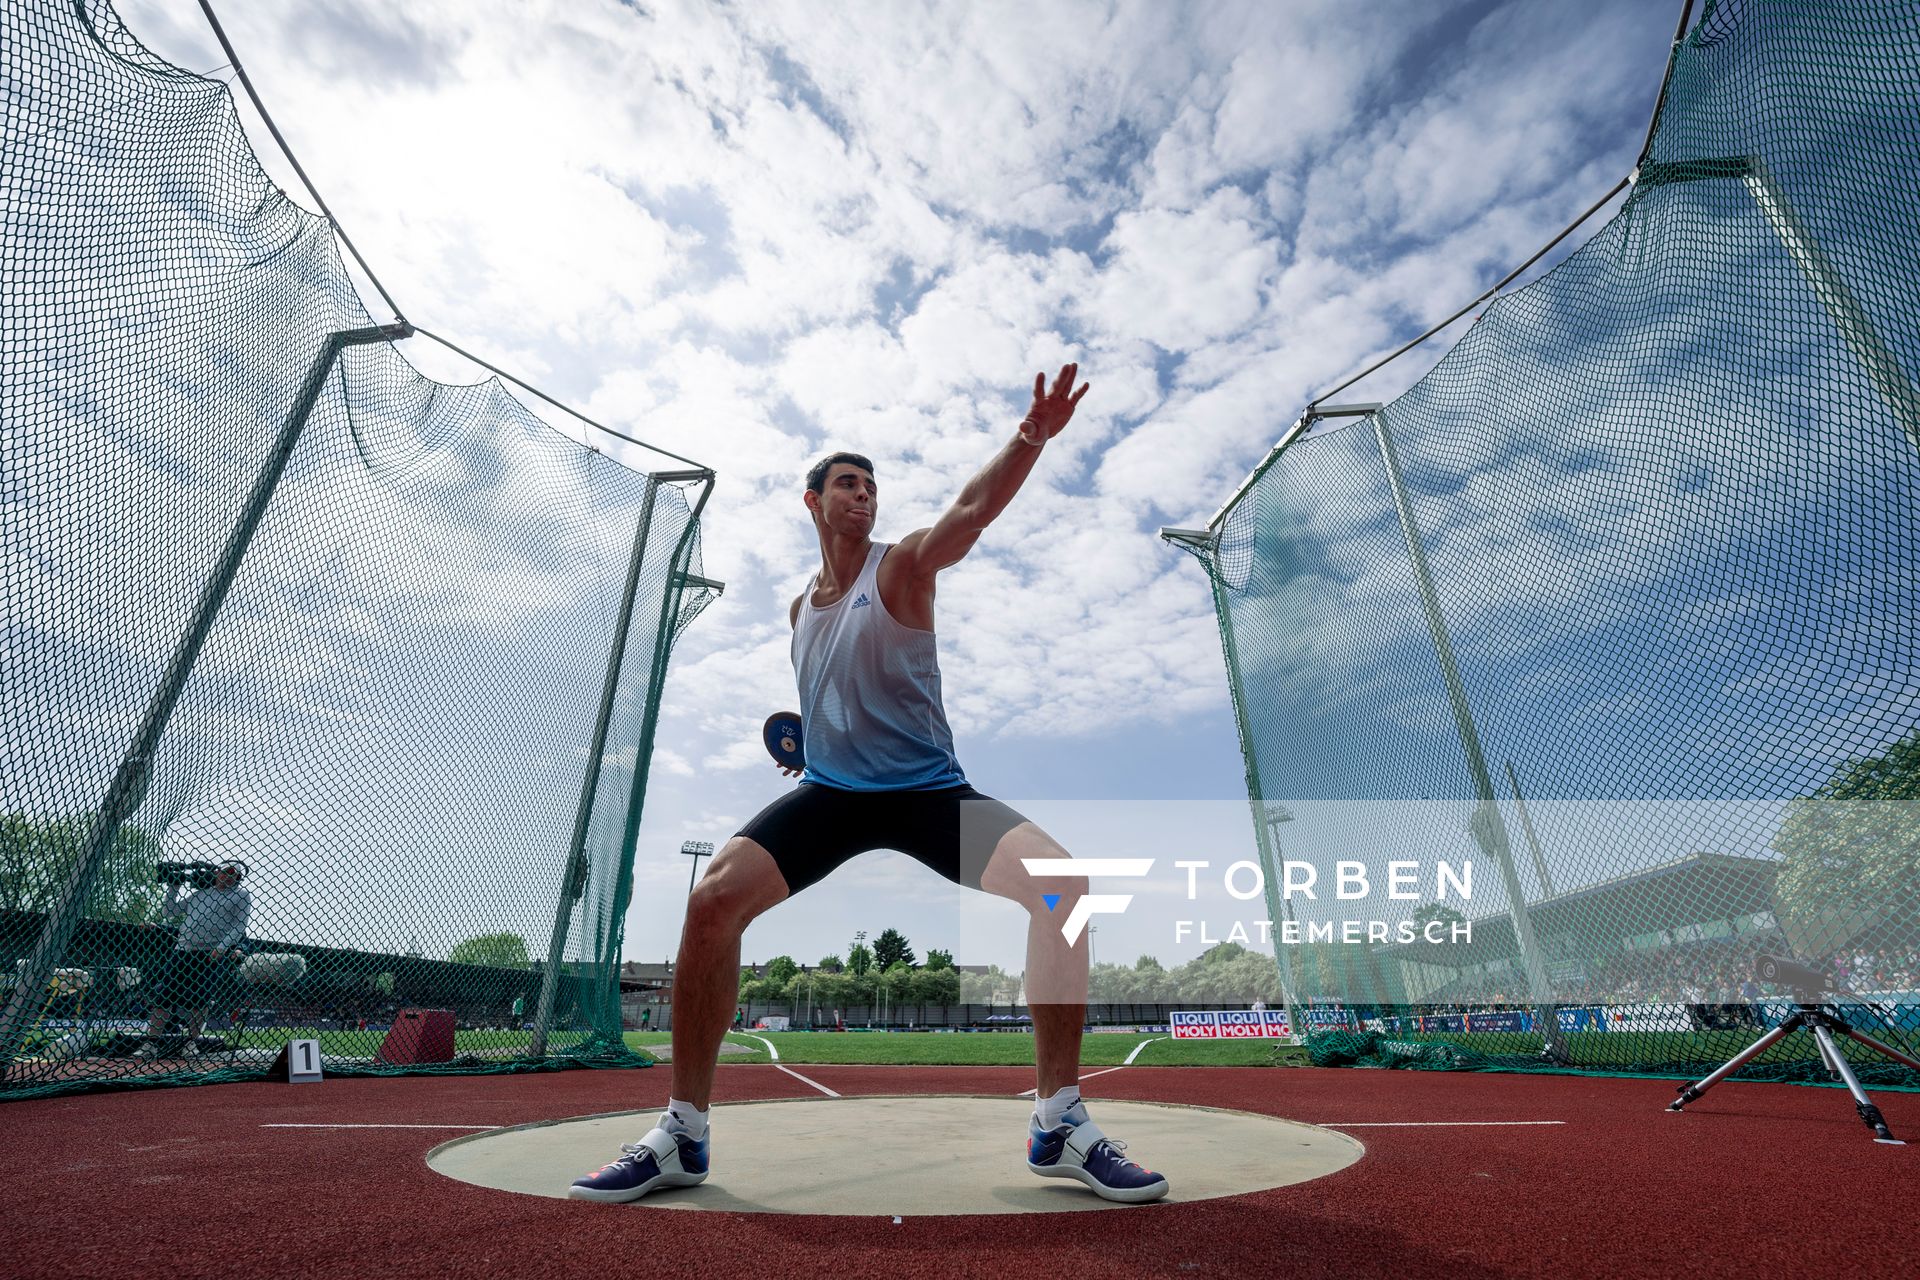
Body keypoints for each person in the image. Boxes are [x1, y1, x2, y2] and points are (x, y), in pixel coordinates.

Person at [573, 365, 1167, 1206]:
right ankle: (682, 1133)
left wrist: (1029, 437)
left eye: (871, 487)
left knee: (1062, 887)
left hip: (928, 792)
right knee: (712, 899)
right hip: (834, 793)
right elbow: (839, 690)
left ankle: (1059, 1120)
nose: (864, 497)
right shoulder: (798, 611)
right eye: (847, 484)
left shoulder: (904, 568)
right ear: (811, 501)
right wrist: (813, 736)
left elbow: (972, 512)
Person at [137, 862, 251, 1060]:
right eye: (223, 871)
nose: (226, 876)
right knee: (164, 995)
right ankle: (151, 1043)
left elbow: (240, 926)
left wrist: (222, 947)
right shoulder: (200, 895)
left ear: (238, 877)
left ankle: (191, 1042)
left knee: (201, 1000)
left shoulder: (240, 895)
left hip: (209, 953)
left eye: (232, 873)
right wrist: (173, 887)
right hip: (182, 950)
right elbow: (169, 912)